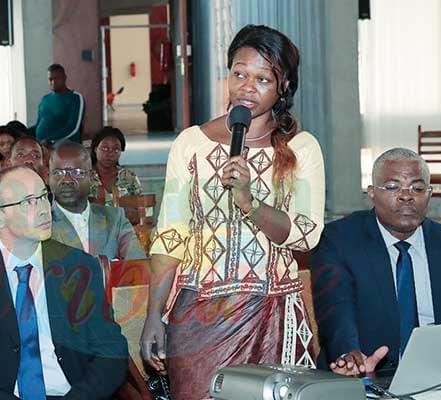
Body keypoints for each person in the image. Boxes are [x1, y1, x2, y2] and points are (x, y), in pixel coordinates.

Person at [139, 25, 325, 399]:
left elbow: (307, 233)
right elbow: (170, 235)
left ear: (284, 85)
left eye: (262, 79)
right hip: (198, 315)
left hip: (273, 316)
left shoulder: (301, 148)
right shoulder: (190, 144)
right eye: (239, 74)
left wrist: (250, 203)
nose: (246, 87)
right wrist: (153, 314)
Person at [0, 166, 128, 399]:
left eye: (44, 197)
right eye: (29, 202)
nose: (44, 209)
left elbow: (112, 351)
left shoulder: (78, 267)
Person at [310, 148, 441, 376]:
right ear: (372, 193)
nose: (406, 196)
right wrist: (349, 355)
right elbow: (336, 311)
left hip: (438, 375)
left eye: (418, 188)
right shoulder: (339, 240)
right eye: (393, 187)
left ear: (429, 194)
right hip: (367, 374)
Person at [49, 142, 145, 261]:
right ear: (48, 177)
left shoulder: (115, 219)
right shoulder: (42, 222)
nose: (67, 180)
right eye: (58, 173)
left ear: (91, 176)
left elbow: (137, 267)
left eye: (77, 172)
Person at [89, 126, 143, 206]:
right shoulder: (85, 176)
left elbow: (141, 205)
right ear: (95, 149)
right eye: (105, 148)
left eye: (116, 149)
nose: (110, 154)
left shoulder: (129, 177)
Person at [32, 64, 85, 145]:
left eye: (56, 78)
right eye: (50, 79)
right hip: (42, 145)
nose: (53, 82)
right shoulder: (45, 99)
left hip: (64, 147)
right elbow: (38, 125)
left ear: (64, 78)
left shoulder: (75, 97)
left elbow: (73, 128)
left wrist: (50, 141)